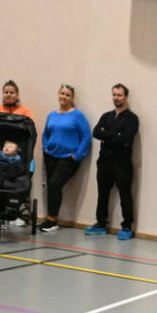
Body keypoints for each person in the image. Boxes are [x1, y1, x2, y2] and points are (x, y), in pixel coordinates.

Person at [86, 83, 140, 240]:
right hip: (104, 162)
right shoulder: (106, 116)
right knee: (102, 194)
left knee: (125, 195)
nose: (117, 98)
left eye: (120, 95)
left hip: (122, 163)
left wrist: (107, 135)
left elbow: (126, 138)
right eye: (114, 95)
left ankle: (127, 226)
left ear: (126, 97)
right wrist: (115, 135)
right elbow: (96, 132)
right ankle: (100, 223)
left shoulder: (132, 118)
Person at [40, 84, 91, 232]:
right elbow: (45, 134)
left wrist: (77, 156)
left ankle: (52, 220)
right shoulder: (52, 115)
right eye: (62, 93)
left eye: (68, 95)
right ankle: (50, 217)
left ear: (72, 98)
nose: (64, 97)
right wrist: (45, 147)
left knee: (56, 184)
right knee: (51, 186)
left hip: (67, 159)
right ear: (58, 95)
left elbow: (86, 137)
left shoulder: (77, 116)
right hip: (51, 156)